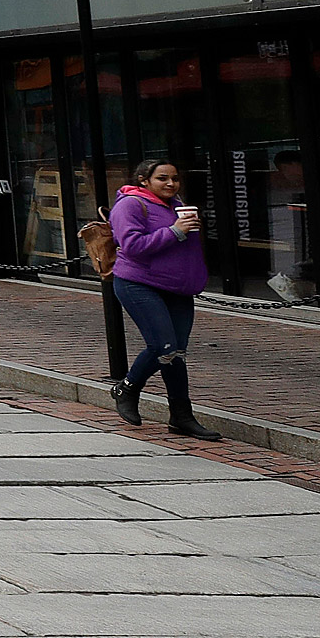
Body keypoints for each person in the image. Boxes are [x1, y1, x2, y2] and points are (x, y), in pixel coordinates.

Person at [108, 158, 220, 440]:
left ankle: (181, 416)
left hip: (177, 289)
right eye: (162, 178)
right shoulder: (130, 205)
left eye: (174, 178)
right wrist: (175, 231)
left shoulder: (176, 205)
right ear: (144, 180)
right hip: (139, 283)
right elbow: (132, 246)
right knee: (163, 346)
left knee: (177, 354)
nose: (170, 183)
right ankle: (127, 388)